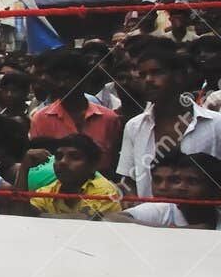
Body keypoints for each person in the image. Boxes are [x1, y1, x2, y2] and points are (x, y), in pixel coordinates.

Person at [116, 38, 221, 198]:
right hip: (147, 218)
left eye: (156, 72)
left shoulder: (215, 124)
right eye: (142, 75)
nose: (148, 80)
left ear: (178, 76)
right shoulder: (134, 126)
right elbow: (129, 180)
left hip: (206, 218)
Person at [29, 49, 122, 163]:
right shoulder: (40, 119)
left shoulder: (109, 118)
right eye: (57, 79)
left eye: (68, 78)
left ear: (84, 80)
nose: (62, 84)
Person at [109, 151, 221, 228]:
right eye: (177, 181)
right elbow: (110, 218)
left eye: (192, 182)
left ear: (215, 190)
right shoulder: (162, 209)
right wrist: (174, 231)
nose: (180, 188)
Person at [31, 134, 121, 221]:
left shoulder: (105, 190)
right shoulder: (47, 191)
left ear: (93, 165)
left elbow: (83, 220)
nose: (62, 162)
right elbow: (22, 215)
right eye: (58, 157)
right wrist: (24, 169)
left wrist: (38, 215)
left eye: (74, 157)